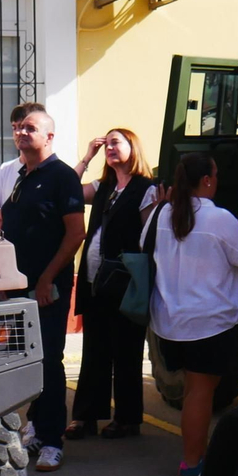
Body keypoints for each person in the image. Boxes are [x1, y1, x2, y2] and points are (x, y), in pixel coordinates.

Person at [150, 152, 238, 476]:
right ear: (208, 180)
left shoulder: (164, 213)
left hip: (169, 322)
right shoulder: (220, 219)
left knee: (191, 392)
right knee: (200, 394)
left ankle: (194, 455)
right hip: (208, 324)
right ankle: (192, 462)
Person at [0, 110, 84, 473]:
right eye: (18, 127)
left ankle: (52, 441)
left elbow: (75, 233)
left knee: (48, 361)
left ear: (49, 136)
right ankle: (35, 429)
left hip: (46, 289)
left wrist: (47, 278)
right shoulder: (20, 176)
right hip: (17, 288)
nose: (21, 132)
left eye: (30, 128)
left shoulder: (62, 177)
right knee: (25, 362)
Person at [65, 128, 155, 440]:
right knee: (94, 350)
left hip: (126, 281)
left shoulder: (147, 188)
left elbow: (150, 234)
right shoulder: (104, 186)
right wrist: (87, 156)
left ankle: (128, 419)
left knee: (126, 350)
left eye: (116, 142)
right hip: (95, 280)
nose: (110, 148)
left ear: (134, 146)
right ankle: (86, 417)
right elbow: (68, 190)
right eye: (107, 144)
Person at [0, 101, 47, 231]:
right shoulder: (6, 169)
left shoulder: (57, 172)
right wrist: (11, 232)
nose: (18, 133)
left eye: (26, 127)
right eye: (14, 127)